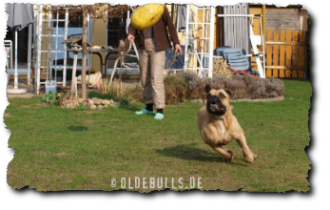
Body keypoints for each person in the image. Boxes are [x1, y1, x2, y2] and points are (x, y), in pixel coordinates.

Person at [127, 6, 182, 120]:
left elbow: (170, 26)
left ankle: (160, 109)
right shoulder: (140, 8)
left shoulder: (161, 8)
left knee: (156, 78)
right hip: (143, 46)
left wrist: (176, 42)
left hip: (158, 47)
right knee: (144, 77)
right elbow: (133, 24)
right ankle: (148, 107)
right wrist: (131, 33)